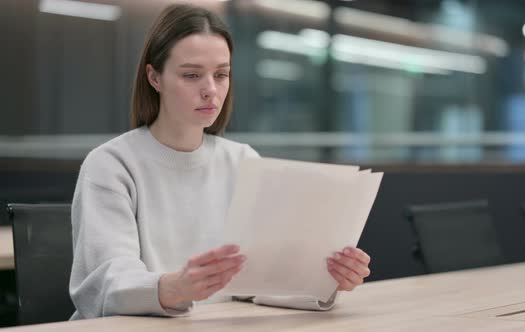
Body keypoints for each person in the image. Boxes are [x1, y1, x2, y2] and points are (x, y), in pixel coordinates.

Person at [69, 3, 371, 319]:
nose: (211, 90)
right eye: (191, 75)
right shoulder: (111, 165)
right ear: (154, 77)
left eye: (221, 74)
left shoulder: (243, 161)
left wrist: (325, 279)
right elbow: (105, 285)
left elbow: (261, 282)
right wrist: (175, 287)